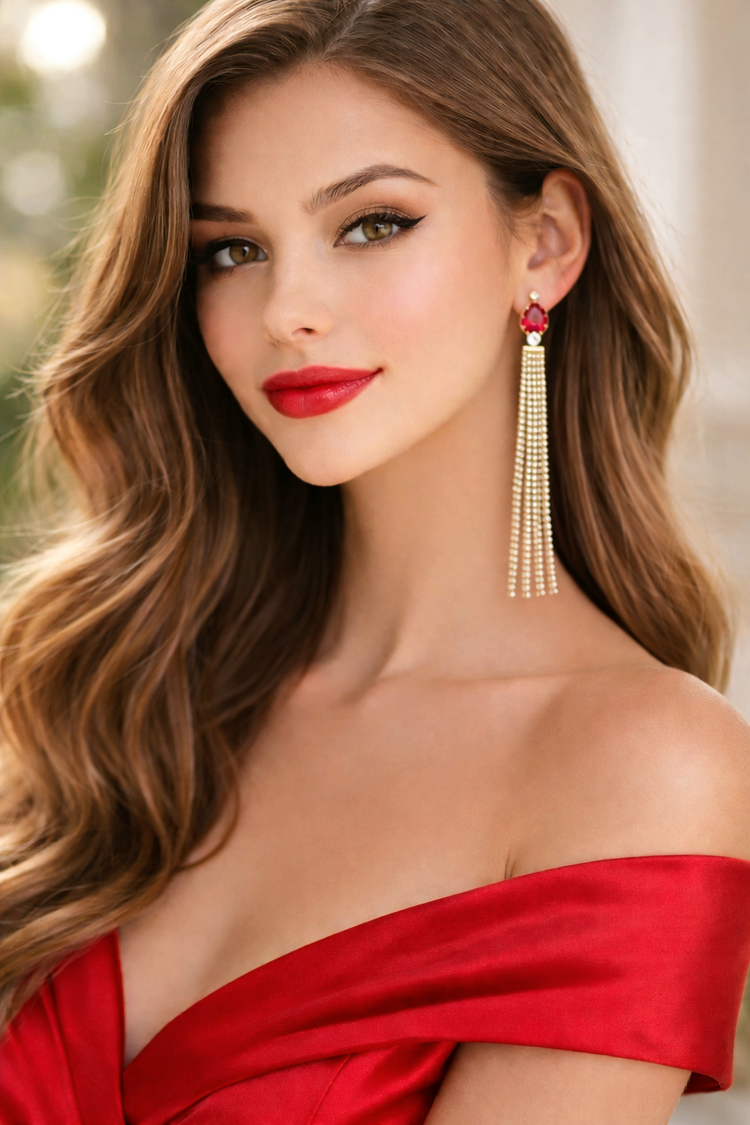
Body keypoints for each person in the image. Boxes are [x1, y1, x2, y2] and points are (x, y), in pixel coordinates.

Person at [2, 0, 750, 1121]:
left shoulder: (642, 764)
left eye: (371, 224)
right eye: (232, 250)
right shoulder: (122, 685)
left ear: (543, 242)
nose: (288, 310)